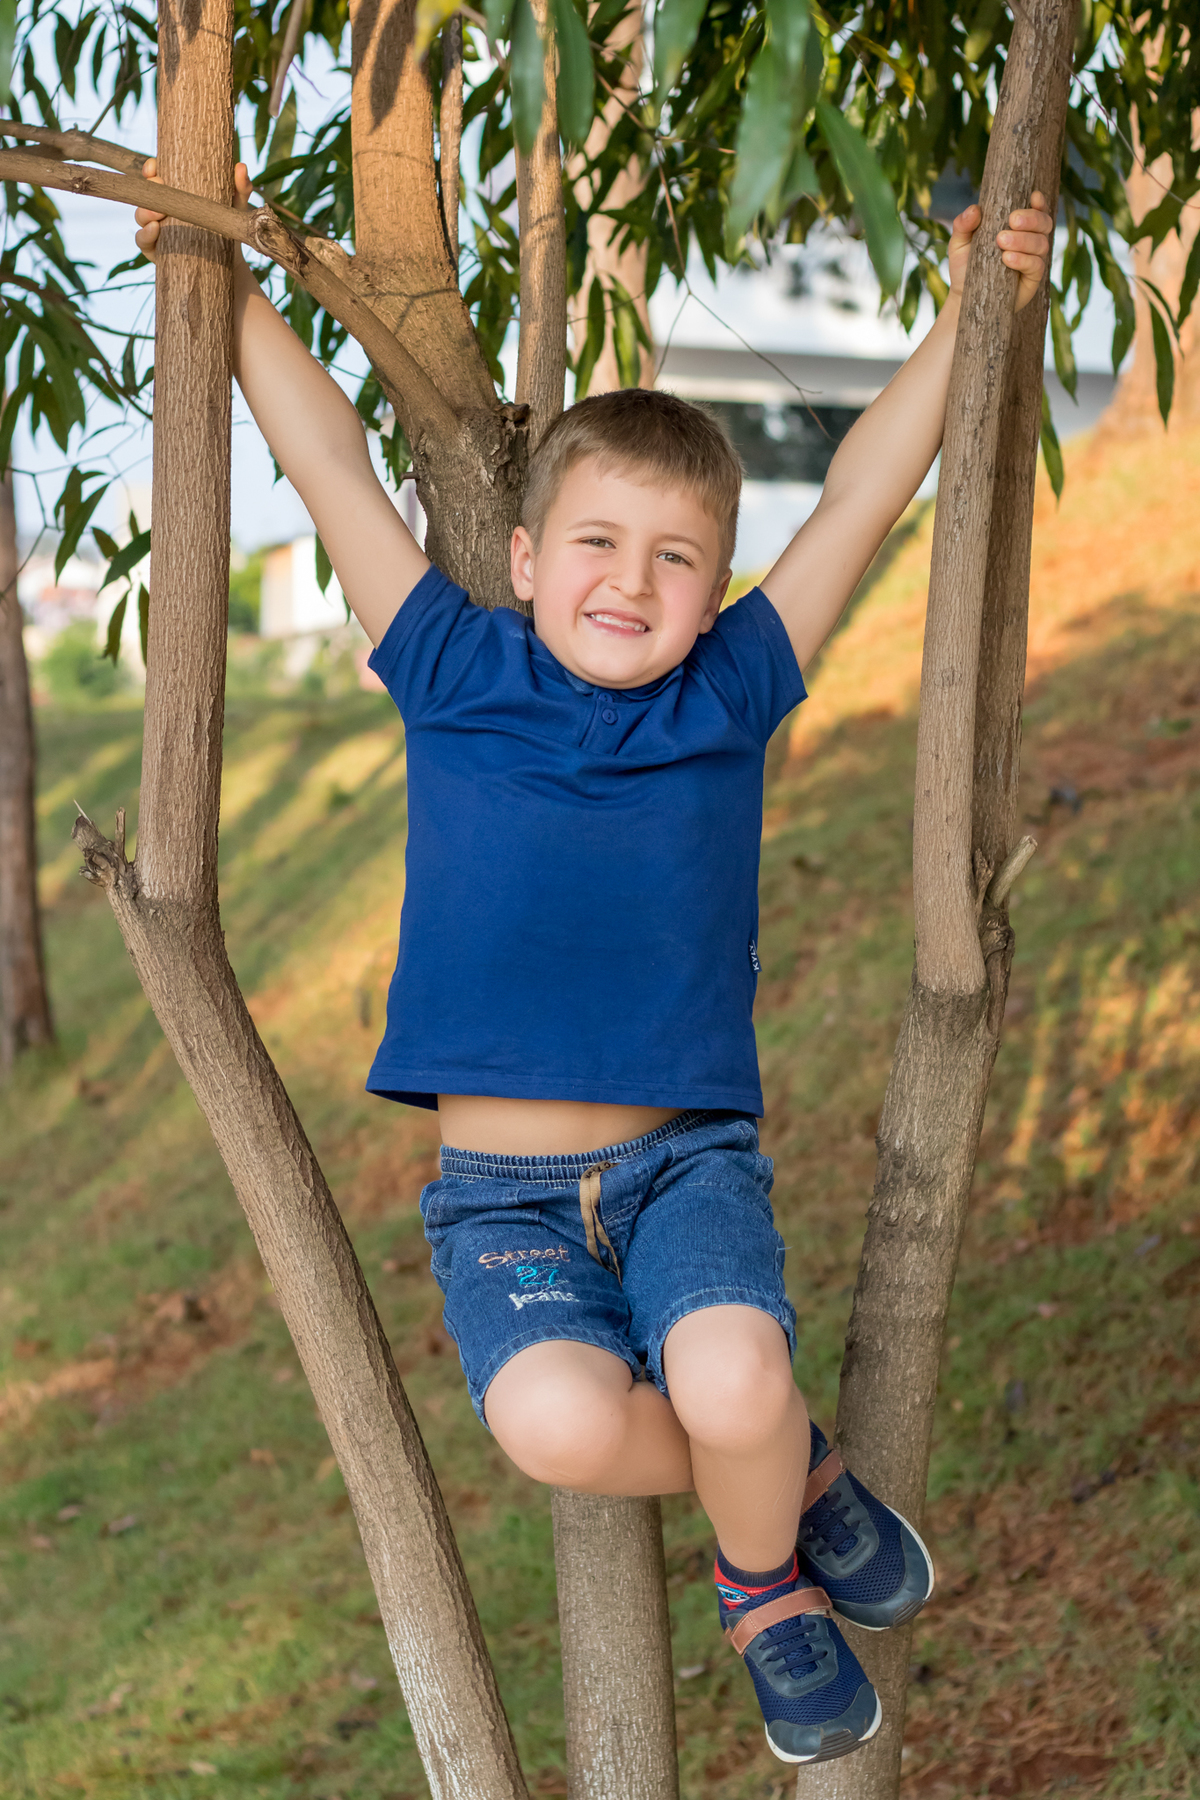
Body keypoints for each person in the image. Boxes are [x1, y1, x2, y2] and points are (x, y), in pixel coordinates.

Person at [136, 170, 1051, 1765]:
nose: (633, 582)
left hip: (681, 1165)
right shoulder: (449, 664)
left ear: (718, 588)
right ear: (527, 549)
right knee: (559, 1427)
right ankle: (793, 1477)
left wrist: (976, 308)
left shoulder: (732, 690)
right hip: (495, 1202)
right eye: (600, 544)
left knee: (730, 1369)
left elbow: (855, 500)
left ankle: (762, 1578)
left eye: (680, 558)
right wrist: (224, 282)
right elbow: (327, 461)